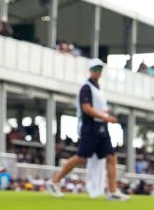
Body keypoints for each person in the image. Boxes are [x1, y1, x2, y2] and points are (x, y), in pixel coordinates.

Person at [47, 59, 130, 201]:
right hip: (90, 127)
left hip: (102, 128)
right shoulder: (86, 88)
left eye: (100, 69)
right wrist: (106, 117)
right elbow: (87, 108)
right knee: (81, 156)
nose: (98, 72)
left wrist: (106, 118)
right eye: (95, 69)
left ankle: (112, 191)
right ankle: (54, 181)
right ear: (90, 70)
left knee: (111, 157)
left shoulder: (99, 88)